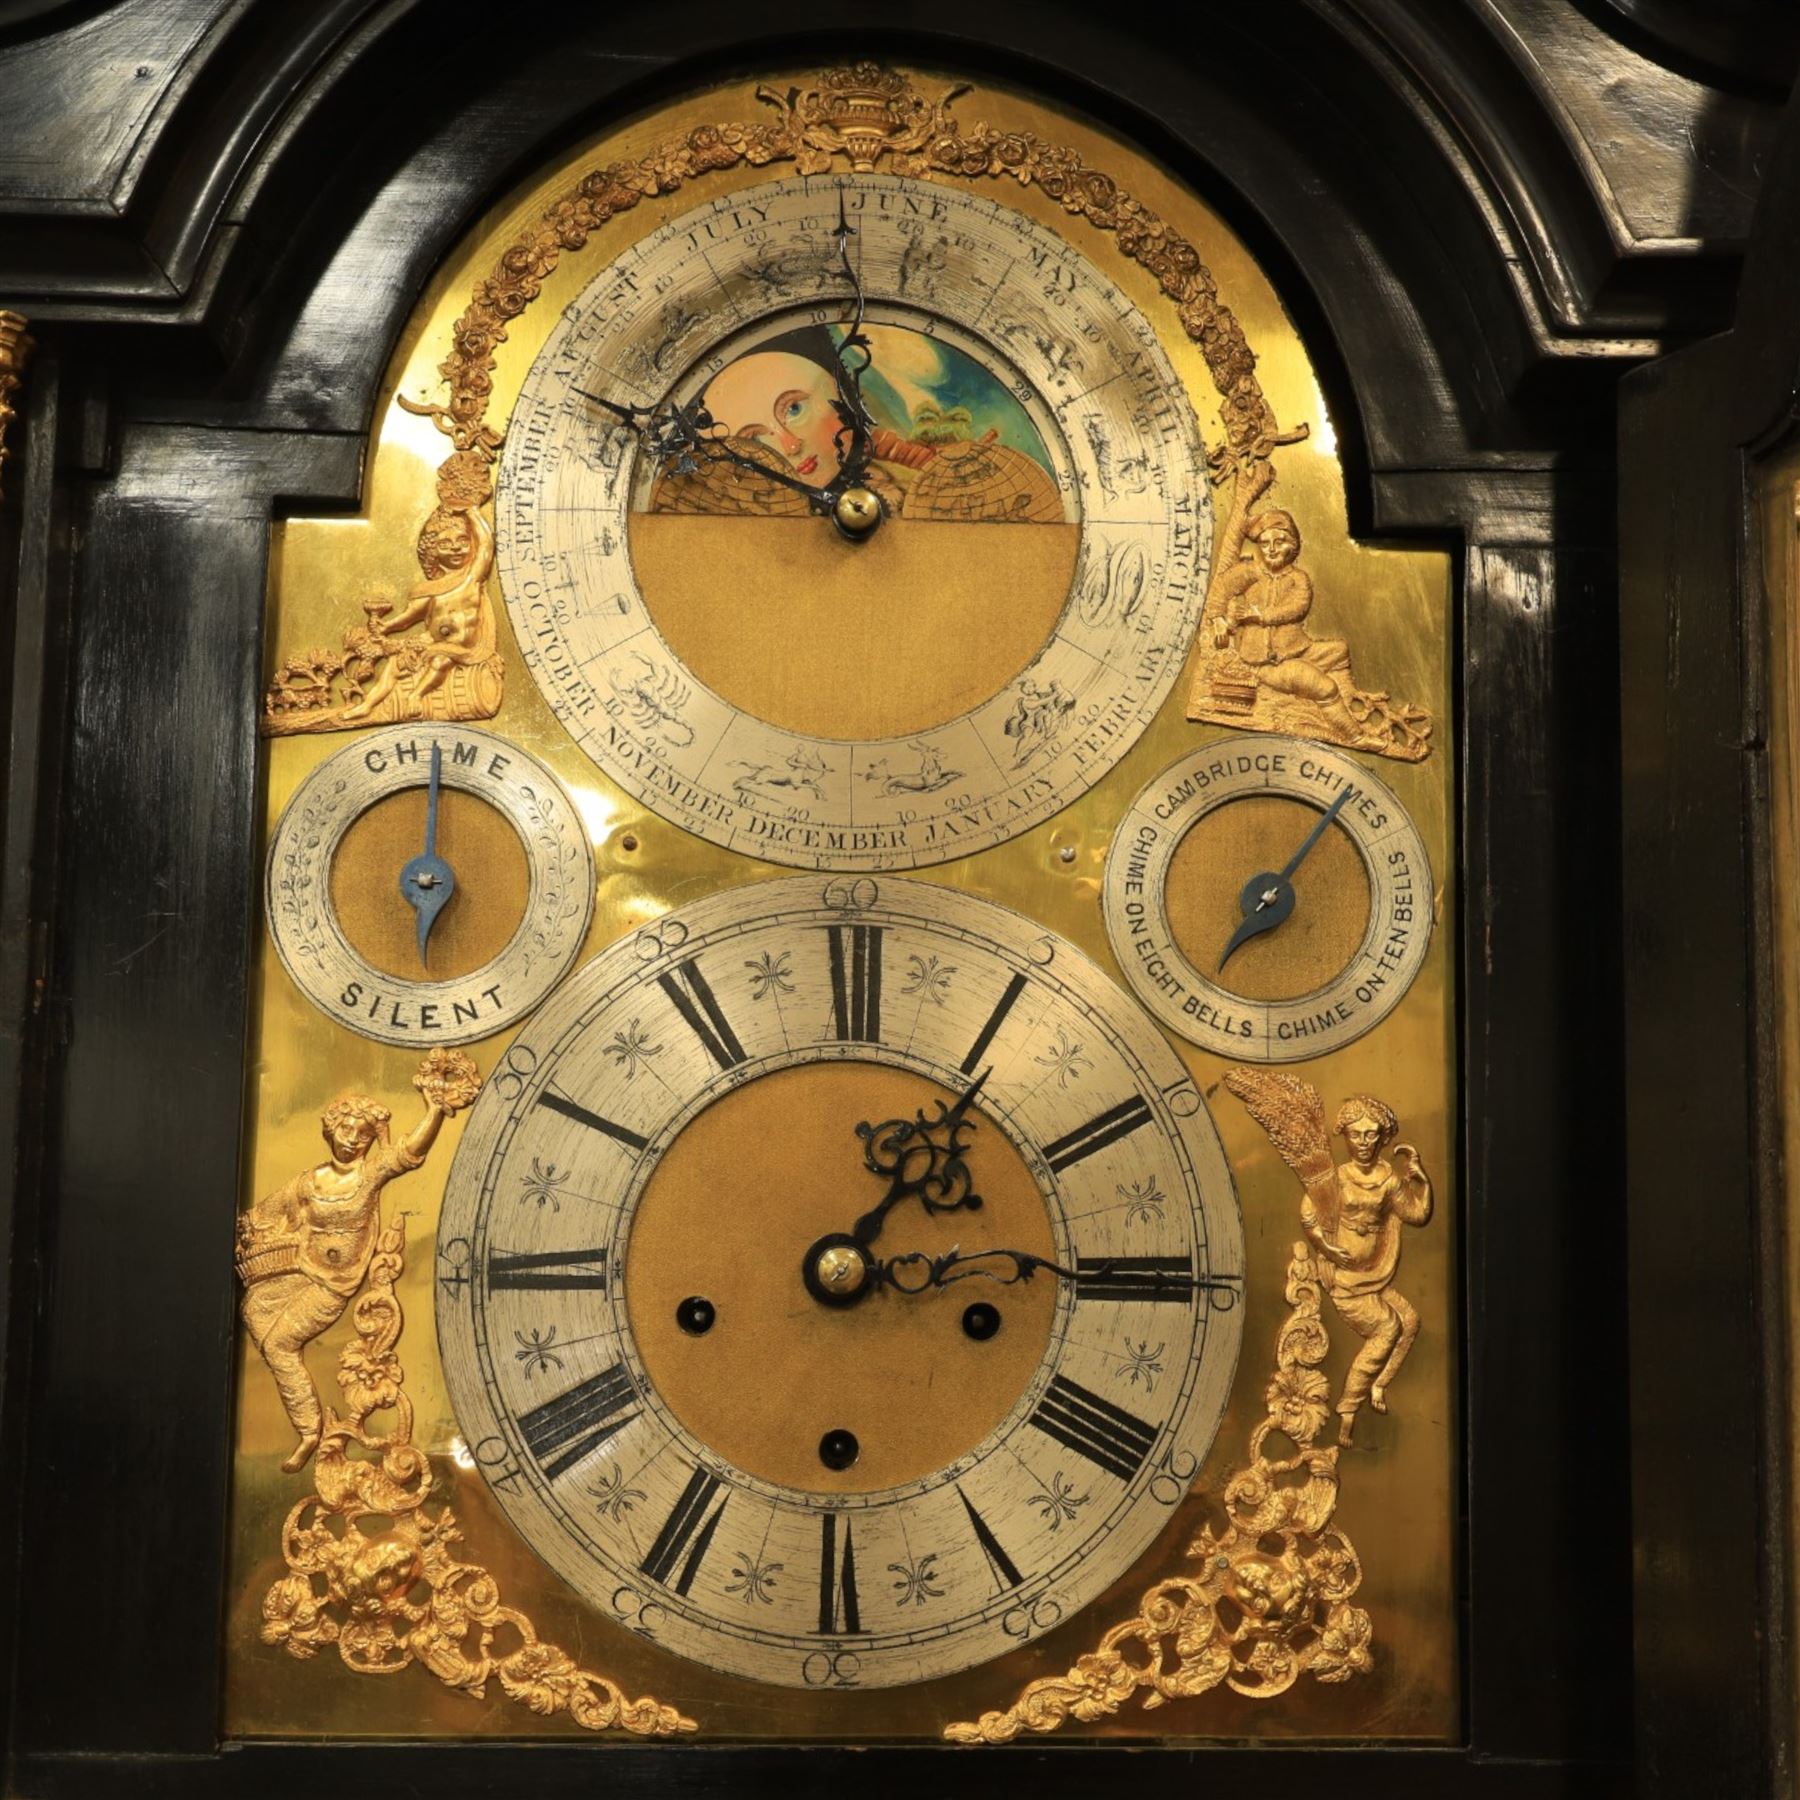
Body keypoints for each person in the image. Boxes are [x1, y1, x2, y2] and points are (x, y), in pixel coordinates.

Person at [236, 1054, 473, 1471]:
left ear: (369, 1140)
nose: (351, 1139)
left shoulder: (369, 1175)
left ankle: (309, 1432)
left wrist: (434, 1110)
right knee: (253, 1310)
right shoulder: (307, 1183)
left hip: (332, 1286)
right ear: (330, 1128)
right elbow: (262, 1216)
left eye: (362, 1135)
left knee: (279, 1345)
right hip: (299, 1270)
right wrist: (247, 1233)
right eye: (345, 1129)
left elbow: (409, 1152)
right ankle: (301, 1411)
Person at [1301, 1095, 1433, 1444]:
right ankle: (1348, 1409)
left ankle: (1379, 1384)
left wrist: (1421, 1181)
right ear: (1344, 1134)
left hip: (1375, 1276)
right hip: (1345, 1281)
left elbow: (1417, 1215)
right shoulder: (1334, 1179)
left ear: (1382, 1137)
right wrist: (1324, 1247)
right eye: (1356, 1134)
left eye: (1371, 1135)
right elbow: (1308, 1216)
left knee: (1412, 1321)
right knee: (1388, 1328)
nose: (1363, 1143)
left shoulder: (1389, 1179)